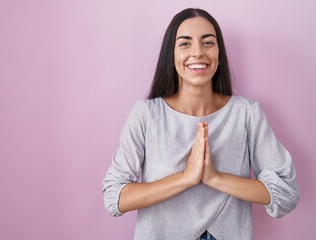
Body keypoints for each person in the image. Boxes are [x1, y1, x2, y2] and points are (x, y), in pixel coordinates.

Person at [102, 8, 299, 240]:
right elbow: (115, 197)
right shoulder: (146, 115)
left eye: (208, 42)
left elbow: (286, 193)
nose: (198, 52)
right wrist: (186, 178)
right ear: (171, 53)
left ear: (218, 53)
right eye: (185, 44)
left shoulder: (246, 114)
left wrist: (214, 177)